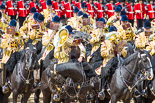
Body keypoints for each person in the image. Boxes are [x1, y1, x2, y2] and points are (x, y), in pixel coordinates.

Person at [1, 19, 24, 93]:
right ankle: (5, 82)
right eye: (11, 27)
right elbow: (2, 45)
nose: (12, 28)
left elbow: (22, 45)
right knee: (6, 66)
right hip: (8, 54)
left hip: (16, 53)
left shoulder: (18, 35)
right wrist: (8, 40)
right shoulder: (5, 35)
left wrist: (16, 40)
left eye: (14, 27)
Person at [98, 26, 119, 100]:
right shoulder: (105, 42)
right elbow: (102, 53)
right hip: (107, 61)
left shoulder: (118, 41)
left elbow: (123, 53)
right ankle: (102, 89)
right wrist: (109, 50)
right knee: (105, 72)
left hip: (117, 60)